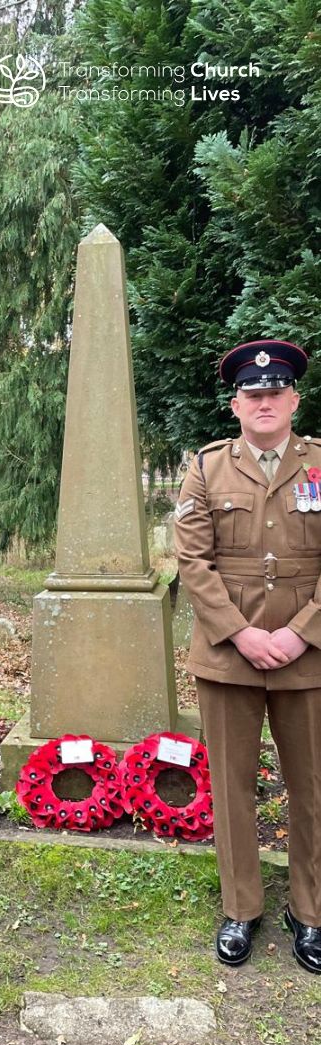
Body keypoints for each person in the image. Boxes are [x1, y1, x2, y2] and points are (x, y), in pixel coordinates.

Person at [176, 339, 321, 975]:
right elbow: (192, 562)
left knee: (312, 787)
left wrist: (301, 631)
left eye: (275, 392)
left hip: (308, 653)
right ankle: (241, 907)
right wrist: (241, 633)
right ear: (237, 404)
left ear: (294, 399)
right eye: (252, 394)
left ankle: (310, 912)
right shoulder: (207, 469)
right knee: (232, 785)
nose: (264, 402)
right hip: (229, 654)